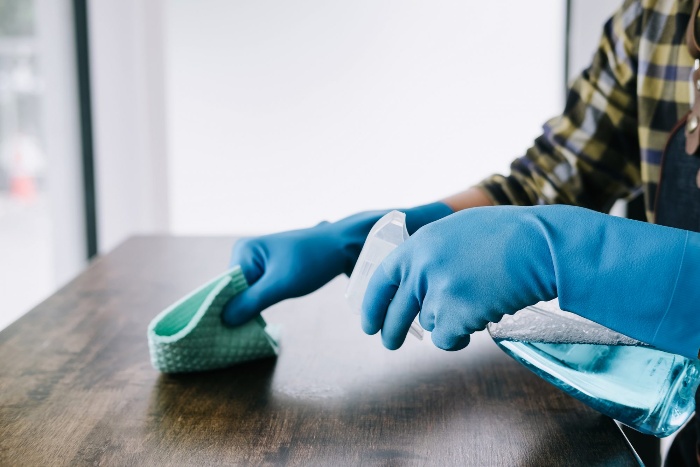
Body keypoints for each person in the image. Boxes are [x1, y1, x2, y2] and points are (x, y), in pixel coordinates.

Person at [223, 0, 700, 464]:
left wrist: (561, 251)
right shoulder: (655, 16)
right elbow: (547, 179)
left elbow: (544, 235)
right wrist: (370, 238)